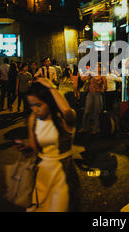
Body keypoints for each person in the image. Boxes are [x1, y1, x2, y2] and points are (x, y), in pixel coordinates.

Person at [14, 78, 80, 212]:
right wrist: (25, 148)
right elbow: (33, 148)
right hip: (42, 175)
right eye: (31, 105)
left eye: (38, 105)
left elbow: (68, 112)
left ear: (49, 102)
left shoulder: (63, 120)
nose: (35, 109)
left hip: (63, 174)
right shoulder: (33, 119)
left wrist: (51, 87)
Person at [80, 63, 106, 136]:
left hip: (97, 94)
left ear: (100, 68)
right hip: (90, 94)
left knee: (96, 112)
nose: (95, 68)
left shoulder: (102, 76)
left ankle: (96, 128)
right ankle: (84, 127)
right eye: (95, 66)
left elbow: (105, 86)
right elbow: (82, 78)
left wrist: (101, 90)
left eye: (97, 66)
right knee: (87, 111)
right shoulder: (91, 75)